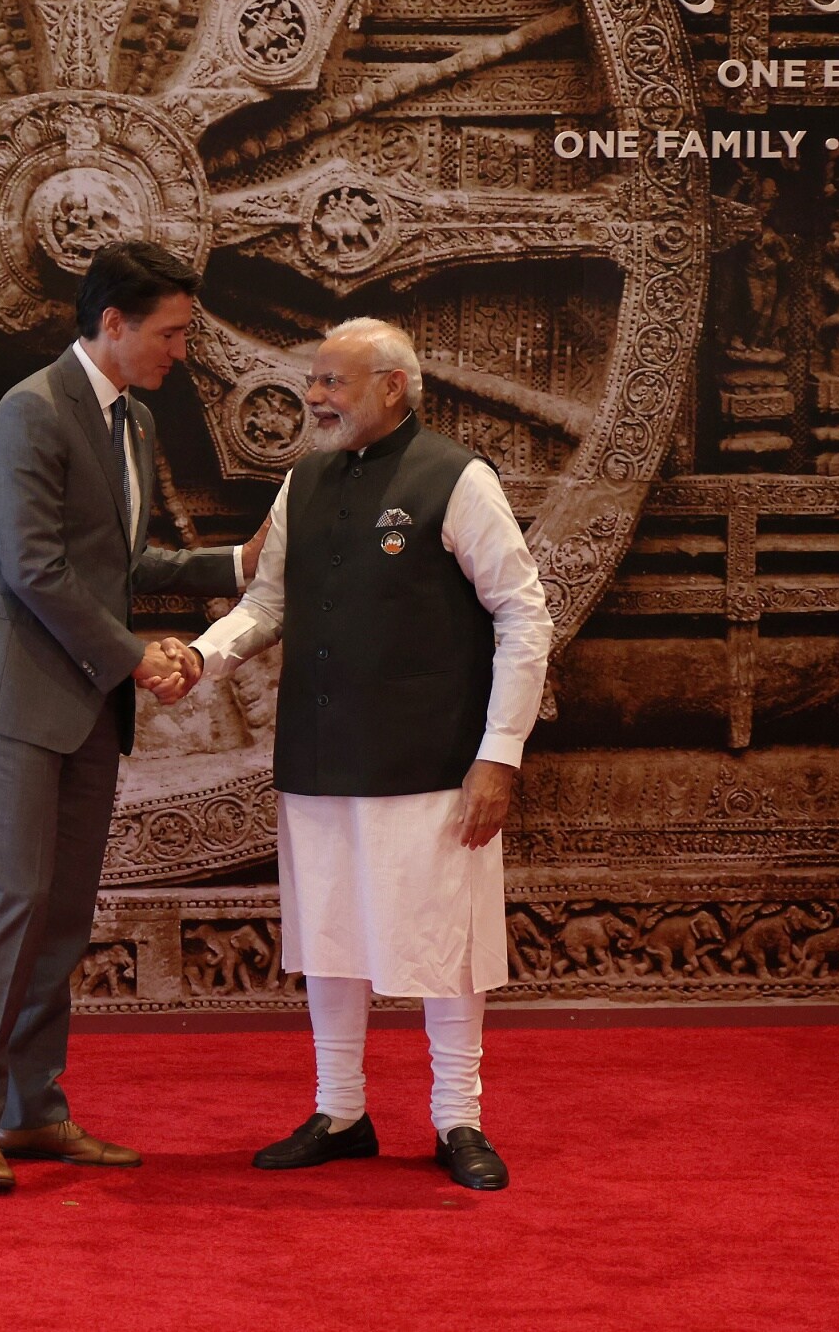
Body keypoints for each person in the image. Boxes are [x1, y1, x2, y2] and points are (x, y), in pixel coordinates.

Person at [152, 316, 552, 1191]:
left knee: (448, 942)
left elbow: (525, 616)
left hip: (433, 759)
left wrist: (500, 754)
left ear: (392, 387)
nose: (315, 396)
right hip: (320, 751)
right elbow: (267, 603)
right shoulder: (303, 480)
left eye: (333, 381)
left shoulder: (458, 478)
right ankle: (340, 1111)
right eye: (315, 380)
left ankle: (458, 1118)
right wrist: (204, 657)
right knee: (329, 934)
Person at [0, 240, 267, 1192]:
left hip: (83, 697)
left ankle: (34, 1110)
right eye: (170, 333)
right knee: (14, 899)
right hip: (16, 695)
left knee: (66, 911)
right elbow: (33, 568)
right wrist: (135, 656)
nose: (182, 351)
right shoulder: (29, 411)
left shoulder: (135, 420)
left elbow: (116, 565)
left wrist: (233, 565)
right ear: (112, 323)